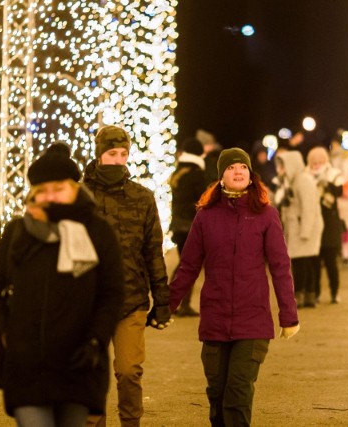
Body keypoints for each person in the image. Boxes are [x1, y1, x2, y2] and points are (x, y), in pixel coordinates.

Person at [0, 143, 124, 426]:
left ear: (74, 188)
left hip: (77, 362)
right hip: (26, 364)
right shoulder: (18, 231)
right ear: (33, 194)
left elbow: (111, 293)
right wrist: (4, 330)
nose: (51, 197)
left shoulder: (97, 231)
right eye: (43, 190)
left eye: (58, 188)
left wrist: (96, 340)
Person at [168, 147, 300, 427]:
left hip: (252, 321)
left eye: (242, 167)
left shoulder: (266, 215)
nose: (237, 171)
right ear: (220, 178)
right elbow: (188, 266)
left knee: (237, 396)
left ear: (251, 176)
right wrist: (165, 306)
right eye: (230, 168)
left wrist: (288, 315)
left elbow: (280, 267)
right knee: (216, 397)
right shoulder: (205, 217)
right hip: (214, 319)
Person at [83, 125, 171, 427]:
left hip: (130, 299)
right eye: (111, 153)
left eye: (123, 154)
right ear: (99, 155)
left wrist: (162, 301)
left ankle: (130, 423)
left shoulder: (142, 197)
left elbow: (152, 251)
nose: (118, 160)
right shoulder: (80, 198)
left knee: (129, 370)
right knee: (91, 373)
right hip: (88, 304)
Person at [274, 150, 323, 307]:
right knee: (304, 262)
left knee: (302, 262)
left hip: (303, 228)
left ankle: (302, 295)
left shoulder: (303, 180)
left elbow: (309, 208)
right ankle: (308, 295)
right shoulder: (294, 180)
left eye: (283, 166)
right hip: (297, 227)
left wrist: (305, 231)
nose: (280, 169)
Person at [169, 137, 206, 317]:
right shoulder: (197, 174)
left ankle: (175, 302)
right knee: (189, 265)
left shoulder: (179, 172)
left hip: (178, 226)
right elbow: (202, 201)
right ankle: (179, 303)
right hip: (190, 226)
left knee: (186, 264)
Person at [306, 146, 345, 304]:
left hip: (330, 225)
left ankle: (335, 292)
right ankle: (315, 293)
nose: (317, 164)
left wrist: (326, 184)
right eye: (314, 162)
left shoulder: (334, 174)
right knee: (315, 264)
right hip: (314, 225)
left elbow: (339, 192)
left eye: (320, 161)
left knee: (331, 263)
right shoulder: (305, 176)